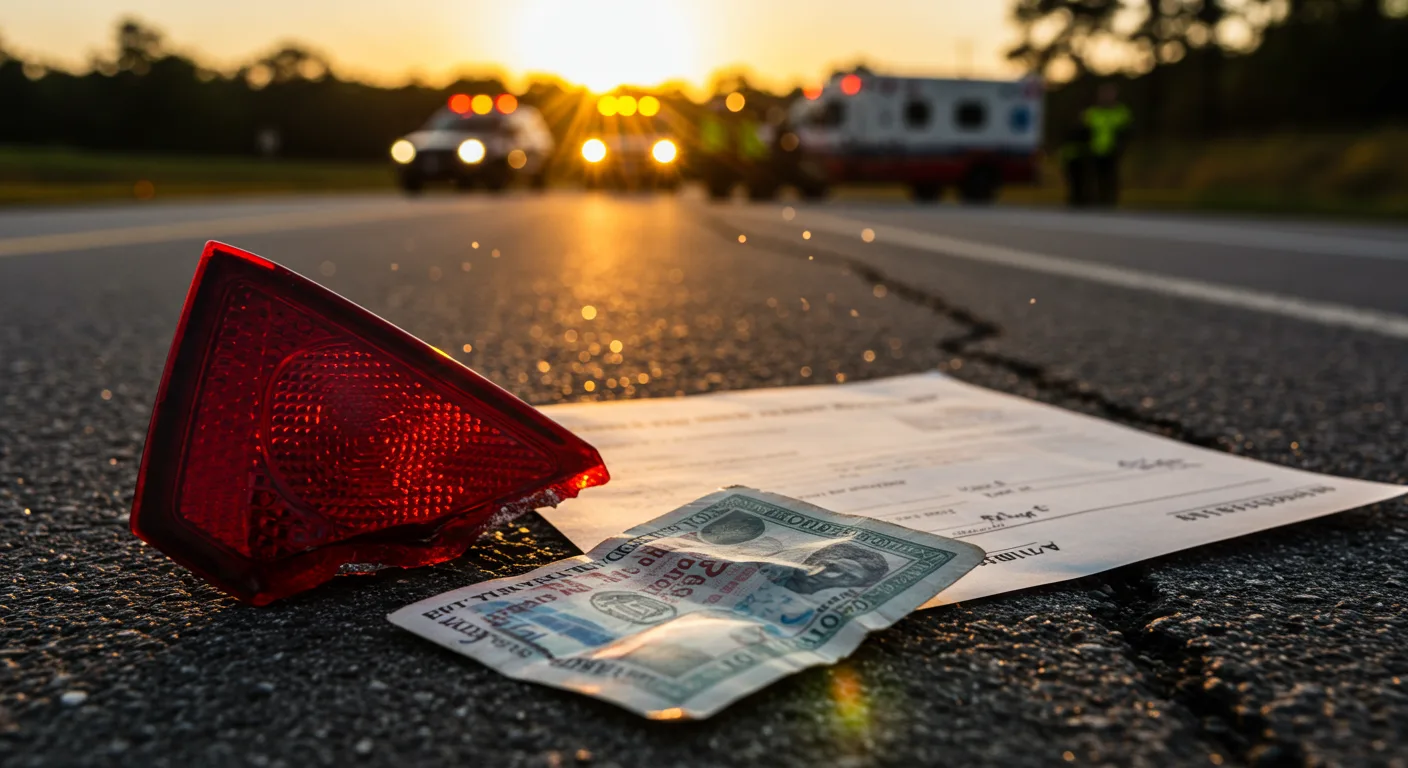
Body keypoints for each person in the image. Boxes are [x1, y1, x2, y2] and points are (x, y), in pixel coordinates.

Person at [1083, 83, 1132, 207]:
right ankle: (1097, 201)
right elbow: (1084, 131)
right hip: (1095, 150)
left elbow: (1127, 131)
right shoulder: (1092, 112)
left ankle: (1110, 201)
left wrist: (1122, 146)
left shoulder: (1121, 112)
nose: (1106, 96)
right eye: (1104, 94)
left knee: (1111, 177)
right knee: (1095, 177)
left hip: (1113, 150)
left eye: (1110, 94)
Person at [1059, 121, 1092, 207]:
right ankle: (1078, 199)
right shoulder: (1082, 138)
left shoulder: (1069, 139)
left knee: (1075, 182)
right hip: (1077, 161)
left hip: (1074, 161)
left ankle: (1076, 199)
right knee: (1078, 182)